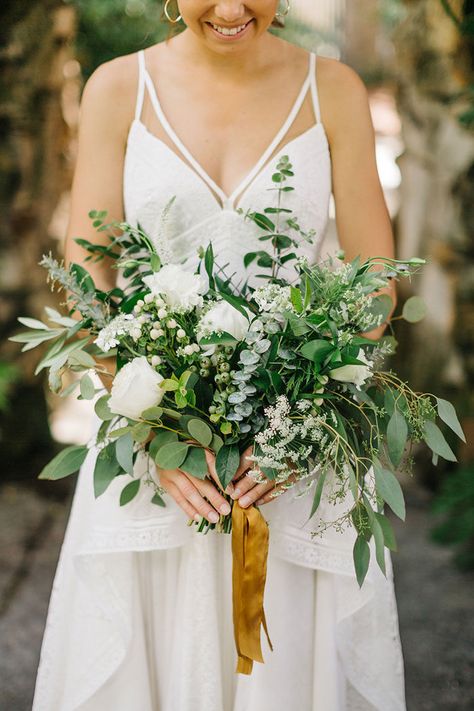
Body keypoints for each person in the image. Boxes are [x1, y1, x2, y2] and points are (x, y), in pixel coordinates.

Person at [32, 1, 406, 709]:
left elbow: (376, 284)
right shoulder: (118, 88)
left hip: (291, 468)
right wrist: (156, 433)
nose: (232, 9)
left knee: (281, 669)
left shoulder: (334, 91)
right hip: (154, 465)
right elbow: (90, 289)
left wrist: (305, 425)